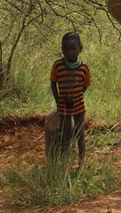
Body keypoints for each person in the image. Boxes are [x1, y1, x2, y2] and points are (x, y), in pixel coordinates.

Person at [50, 32, 91, 166]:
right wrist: (58, 100)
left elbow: (85, 85)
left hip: (79, 107)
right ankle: (65, 162)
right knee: (65, 135)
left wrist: (76, 95)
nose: (69, 52)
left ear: (80, 49)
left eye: (73, 48)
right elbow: (53, 83)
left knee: (80, 135)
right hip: (63, 107)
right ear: (62, 50)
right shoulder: (58, 66)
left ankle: (82, 162)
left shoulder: (84, 68)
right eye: (65, 49)